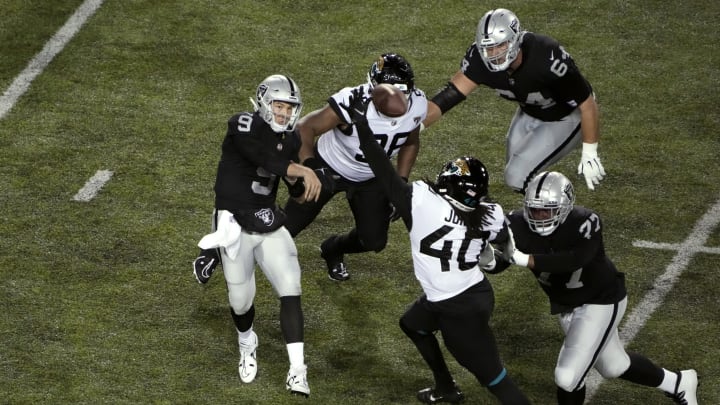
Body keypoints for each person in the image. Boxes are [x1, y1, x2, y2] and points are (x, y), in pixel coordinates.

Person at [345, 90, 530, 404]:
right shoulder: (490, 214)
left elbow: (379, 164)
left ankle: (454, 388)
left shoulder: (419, 202)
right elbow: (502, 255)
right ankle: (445, 387)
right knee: (413, 325)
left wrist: (361, 123)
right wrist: (491, 258)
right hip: (469, 293)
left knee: (498, 383)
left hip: (456, 306)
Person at [491, 171, 698, 405]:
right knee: (614, 365)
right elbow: (499, 262)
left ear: (565, 207)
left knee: (568, 377)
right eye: (534, 209)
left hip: (601, 301)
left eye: (547, 210)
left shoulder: (585, 221)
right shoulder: (517, 223)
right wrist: (489, 259)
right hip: (567, 304)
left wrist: (523, 259)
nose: (539, 216)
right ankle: (679, 382)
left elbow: (574, 259)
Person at [193, 74, 322, 397]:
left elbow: (283, 179)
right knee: (240, 301)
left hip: (267, 220)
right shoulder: (242, 124)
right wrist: (302, 171)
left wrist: (301, 188)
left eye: (289, 107)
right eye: (278, 105)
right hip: (234, 220)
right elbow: (265, 159)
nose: (284, 113)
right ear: (264, 103)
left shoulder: (291, 139)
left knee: (290, 287)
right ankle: (246, 341)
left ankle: (297, 370)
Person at [423, 8, 606, 193]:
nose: (494, 53)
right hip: (530, 111)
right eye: (488, 47)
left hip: (567, 115)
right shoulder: (479, 59)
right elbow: (448, 96)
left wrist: (590, 152)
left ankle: (557, 208)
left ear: (516, 40)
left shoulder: (545, 56)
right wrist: (414, 126)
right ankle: (536, 210)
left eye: (501, 45)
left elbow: (588, 105)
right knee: (516, 168)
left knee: (517, 177)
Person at [282, 52, 428, 281]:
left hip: (371, 177)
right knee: (285, 230)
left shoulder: (418, 104)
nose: (397, 98)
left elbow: (411, 140)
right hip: (328, 166)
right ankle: (223, 250)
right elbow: (304, 128)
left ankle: (334, 249)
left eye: (403, 91)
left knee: (374, 240)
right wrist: (311, 168)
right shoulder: (352, 101)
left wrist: (399, 182)